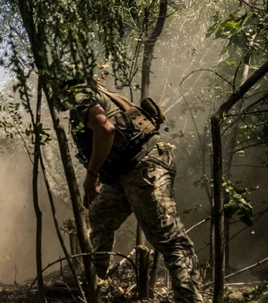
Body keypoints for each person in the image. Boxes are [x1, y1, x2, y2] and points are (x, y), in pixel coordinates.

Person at [63, 78, 204, 303]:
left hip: (144, 166)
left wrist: (92, 175)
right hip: (126, 172)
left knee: (170, 240)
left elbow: (106, 129)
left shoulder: (80, 95)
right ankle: (96, 283)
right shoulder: (97, 94)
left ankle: (191, 299)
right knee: (100, 216)